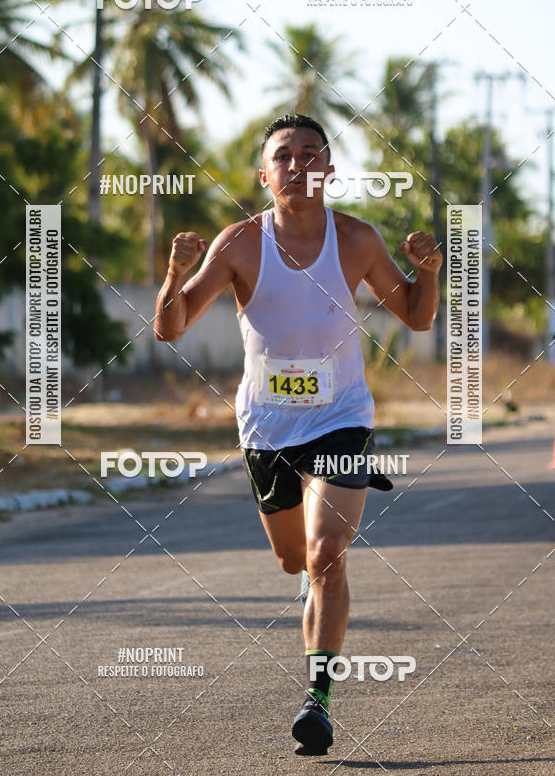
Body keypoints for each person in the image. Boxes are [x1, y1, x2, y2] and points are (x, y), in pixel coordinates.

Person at [154, 113, 442, 754]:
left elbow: (417, 319)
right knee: (293, 561)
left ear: (330, 171)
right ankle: (312, 602)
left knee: (326, 552)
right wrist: (177, 272)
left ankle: (318, 701)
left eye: (312, 154)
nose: (298, 164)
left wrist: (432, 269)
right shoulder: (239, 244)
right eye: (284, 156)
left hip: (341, 416)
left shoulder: (359, 240)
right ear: (265, 174)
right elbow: (171, 328)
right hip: (265, 426)